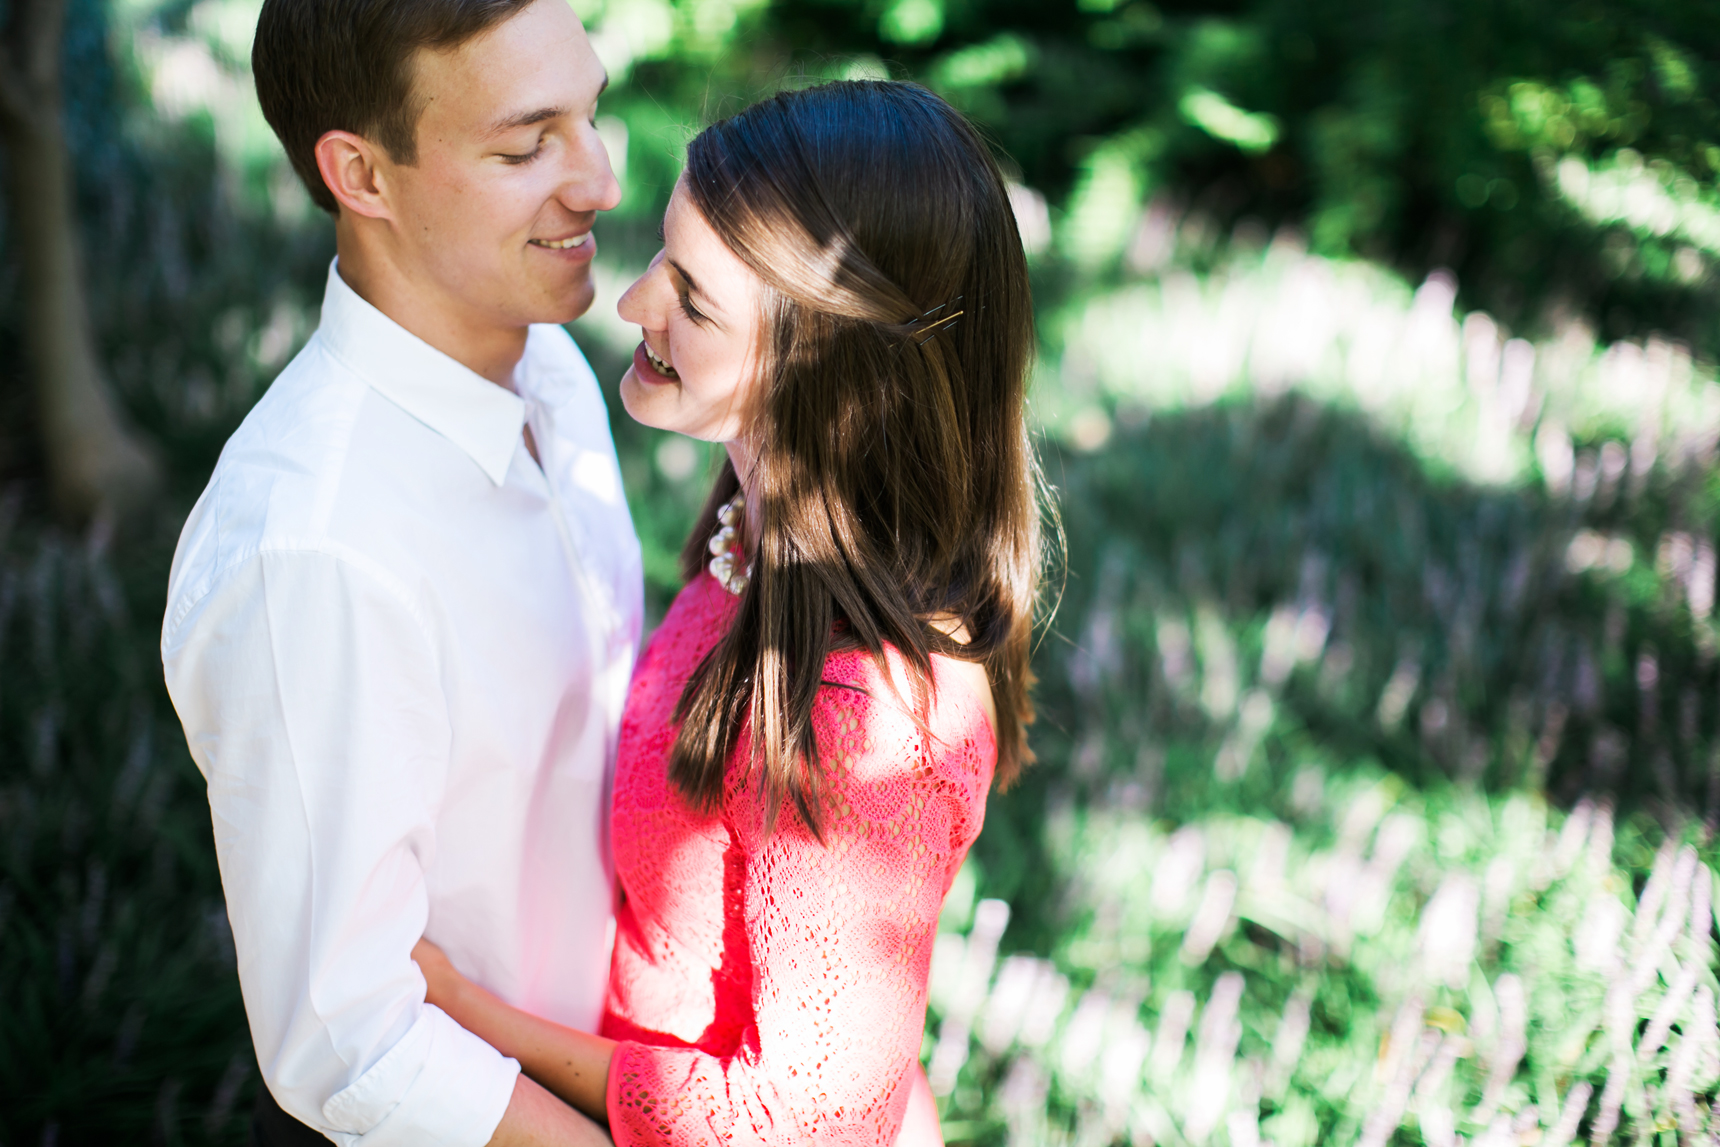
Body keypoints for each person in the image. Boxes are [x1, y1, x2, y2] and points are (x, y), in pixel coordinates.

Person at [410, 79, 1044, 1146]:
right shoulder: (762, 529)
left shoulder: (875, 723)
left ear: (834, 375)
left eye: (693, 301)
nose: (631, 304)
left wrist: (469, 1016)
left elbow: (794, 1125)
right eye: (663, 255)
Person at [160, 0, 639, 1143]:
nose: (600, 181)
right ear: (360, 174)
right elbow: (353, 1043)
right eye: (526, 146)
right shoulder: (314, 550)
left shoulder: (559, 372)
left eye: (590, 115)